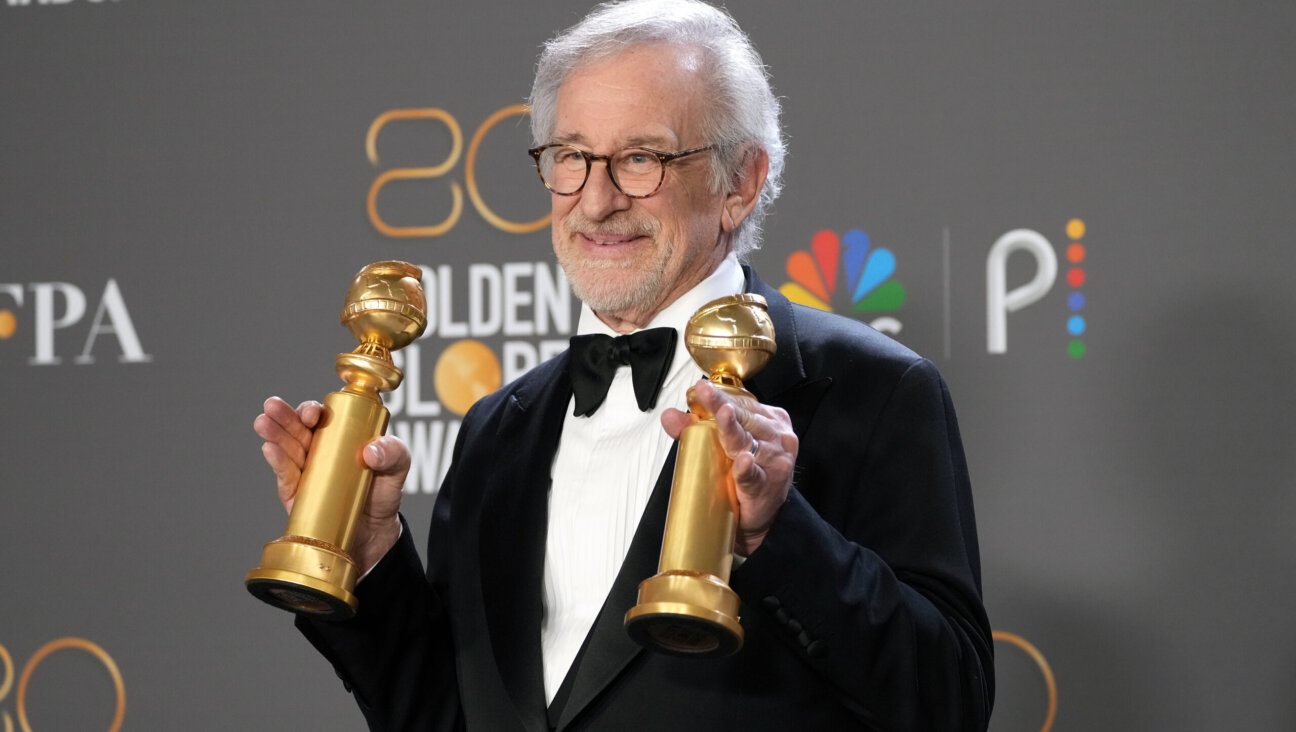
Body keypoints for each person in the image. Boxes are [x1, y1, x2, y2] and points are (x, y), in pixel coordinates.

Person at [254, 1, 993, 729]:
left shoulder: (872, 390)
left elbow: (950, 700)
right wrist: (372, 555)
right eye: (572, 157)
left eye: (641, 158)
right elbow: (448, 716)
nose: (597, 201)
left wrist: (779, 535)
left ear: (740, 182)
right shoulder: (496, 428)